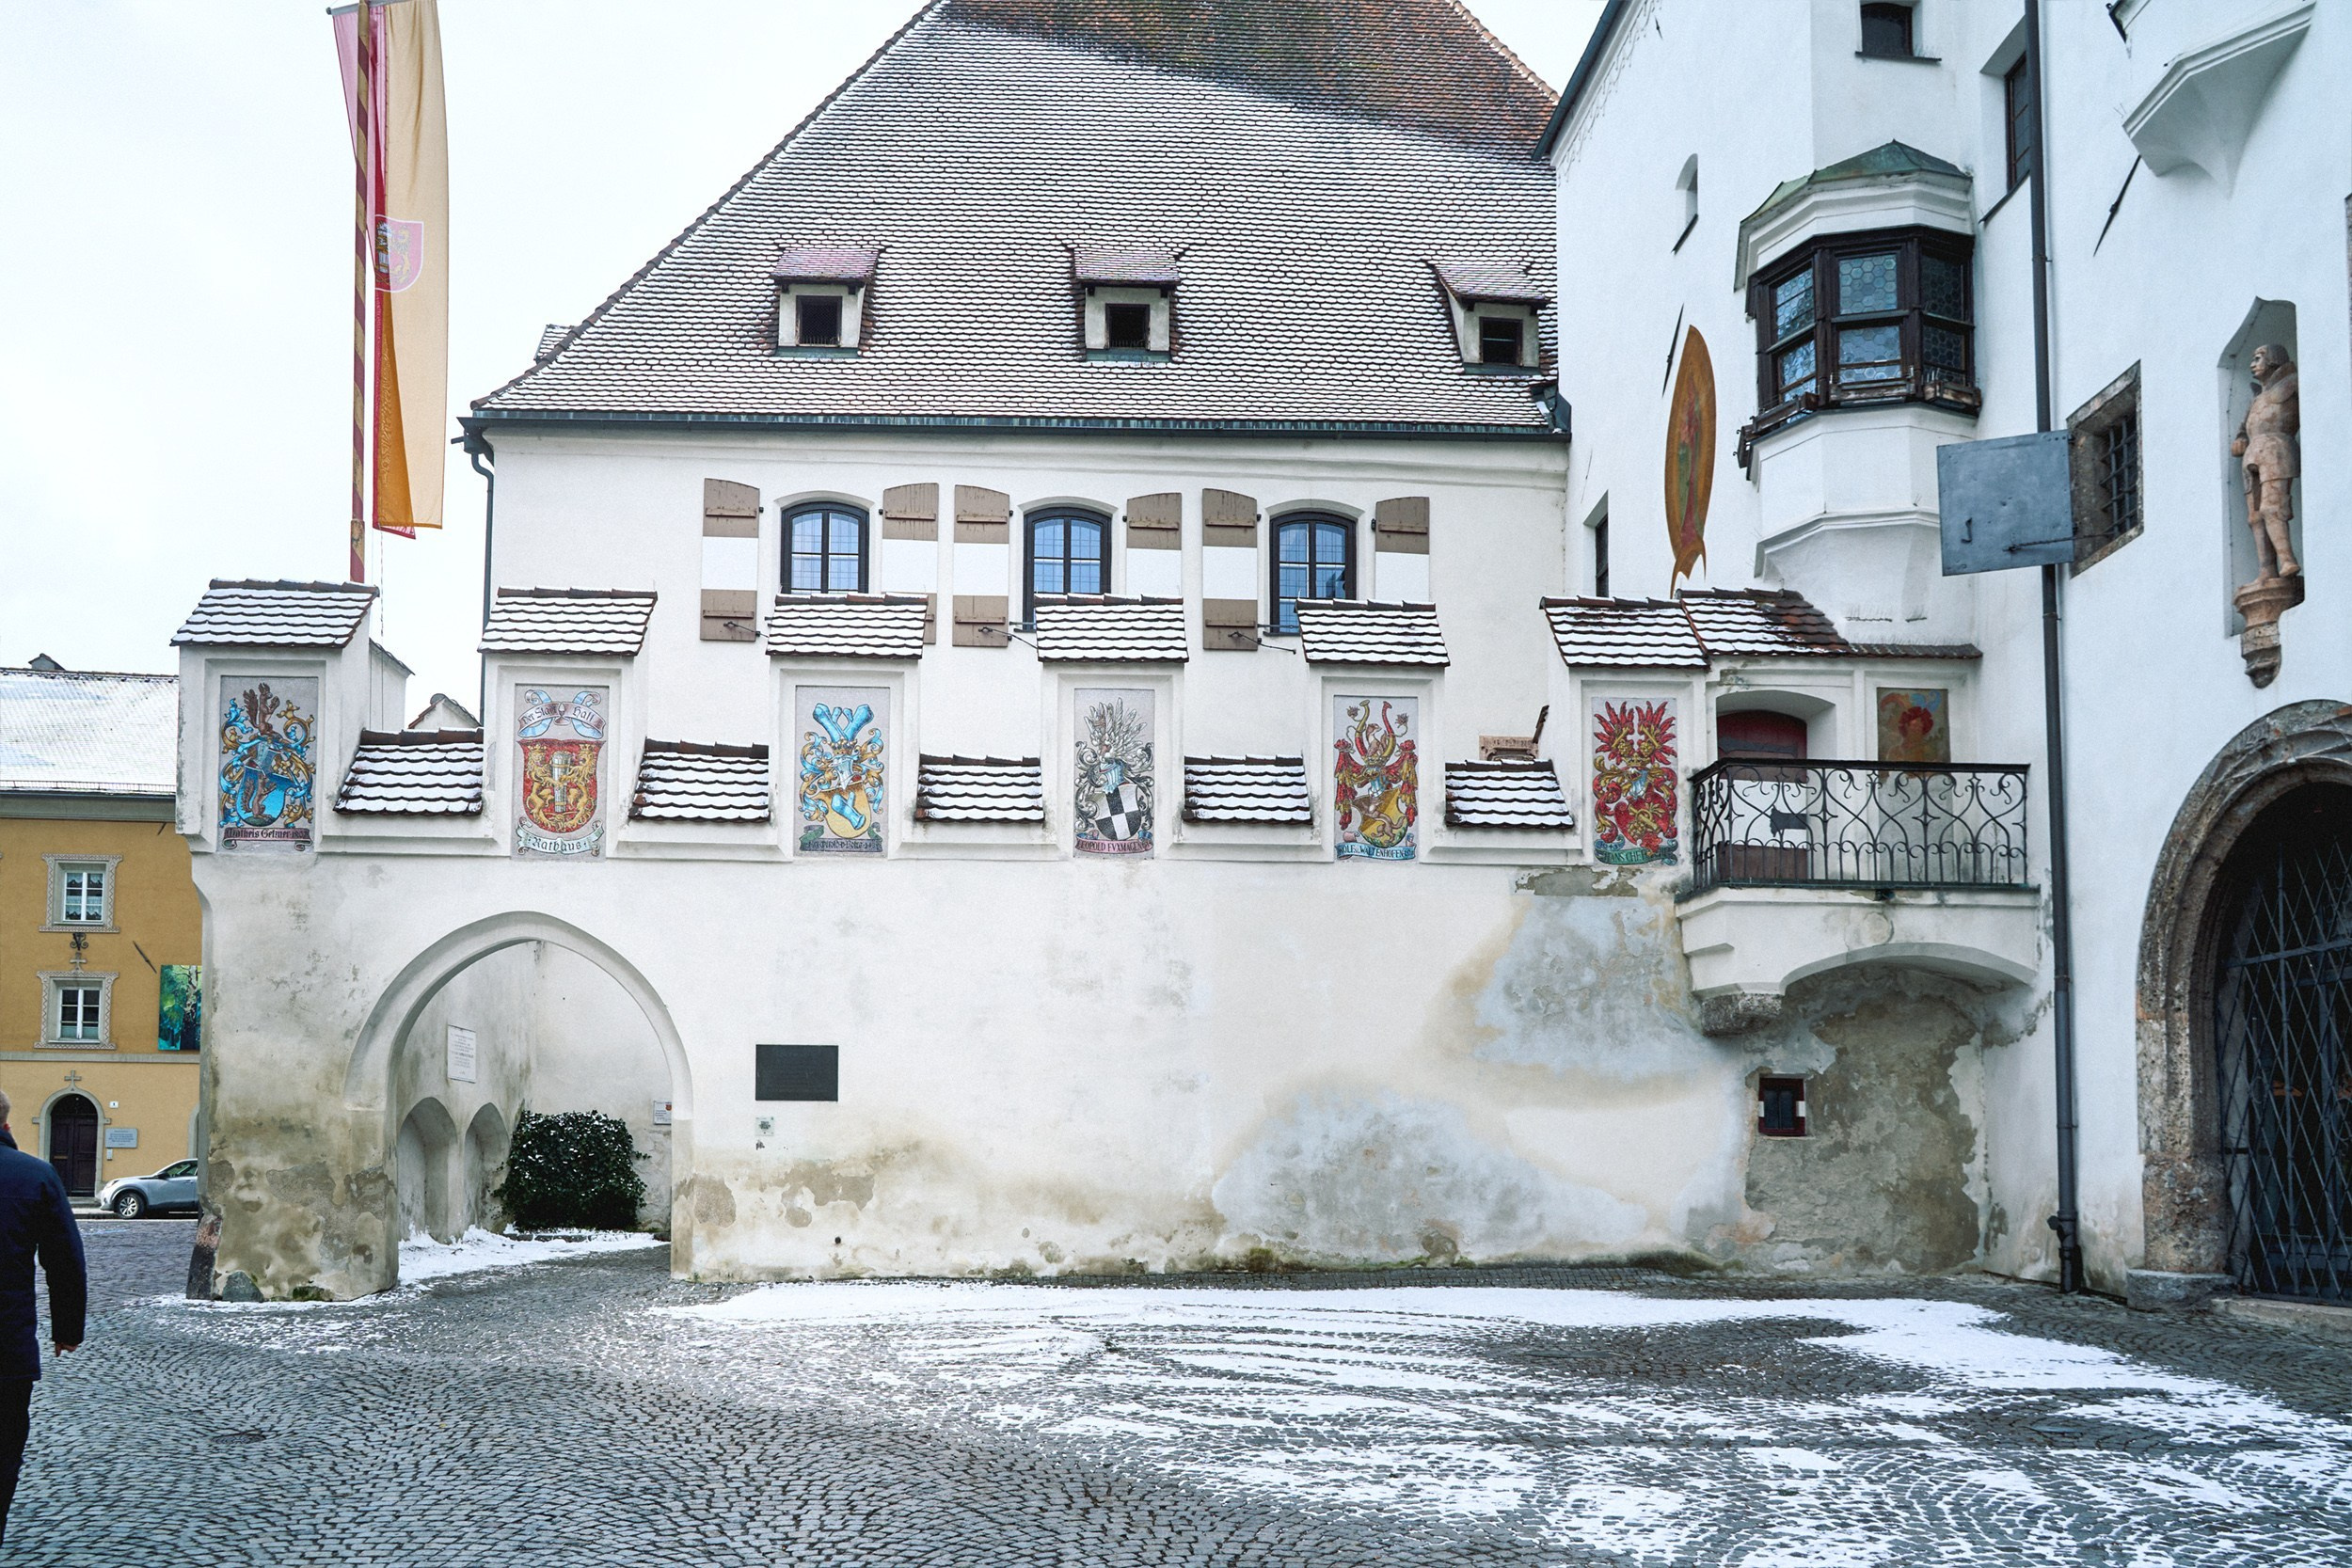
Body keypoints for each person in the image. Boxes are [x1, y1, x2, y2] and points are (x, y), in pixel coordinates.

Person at [0, 1089, 86, 1545]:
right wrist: (67, 1329)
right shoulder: (34, 1175)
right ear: (8, 1124)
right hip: (7, 1349)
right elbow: (65, 1260)